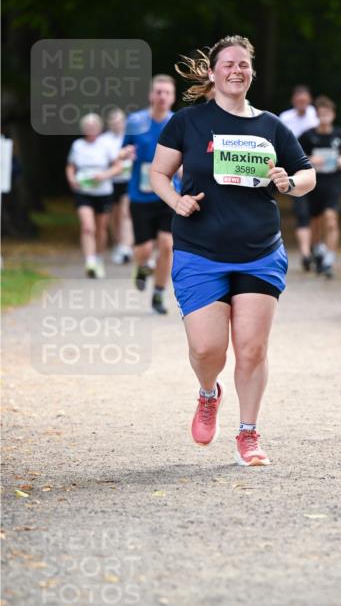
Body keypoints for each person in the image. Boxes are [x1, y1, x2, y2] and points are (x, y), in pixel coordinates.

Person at [150, 36, 315, 465]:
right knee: (208, 350)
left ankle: (249, 432)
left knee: (252, 348)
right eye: (228, 64)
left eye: (244, 64)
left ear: (252, 72)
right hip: (199, 249)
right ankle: (209, 393)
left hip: (259, 250)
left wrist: (289, 182)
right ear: (213, 72)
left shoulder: (271, 126)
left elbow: (307, 174)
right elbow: (158, 174)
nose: (236, 70)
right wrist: (176, 201)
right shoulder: (187, 122)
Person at [120, 75, 177, 314]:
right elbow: (123, 148)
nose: (162, 96)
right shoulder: (135, 121)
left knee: (167, 244)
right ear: (150, 95)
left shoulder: (178, 122)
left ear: (172, 97)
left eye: (167, 92)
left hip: (169, 193)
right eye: (158, 92)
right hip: (140, 193)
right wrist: (125, 153)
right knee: (143, 250)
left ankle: (158, 294)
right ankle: (143, 266)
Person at [65, 113, 124, 278]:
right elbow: (70, 166)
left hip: (103, 192)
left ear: (99, 128)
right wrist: (71, 179)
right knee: (87, 226)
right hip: (83, 192)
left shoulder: (105, 145)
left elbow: (118, 166)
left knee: (100, 229)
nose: (90, 129)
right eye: (87, 127)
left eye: (93, 126)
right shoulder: (77, 145)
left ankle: (98, 258)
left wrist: (104, 175)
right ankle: (89, 261)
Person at [300, 96, 341, 277]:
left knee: (330, 218)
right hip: (314, 184)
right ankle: (318, 250)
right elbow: (297, 155)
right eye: (320, 114)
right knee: (315, 222)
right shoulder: (308, 136)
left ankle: (329, 259)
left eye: (327, 113)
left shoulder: (339, 134)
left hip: (333, 183)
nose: (324, 117)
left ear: (333, 115)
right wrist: (310, 160)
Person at [279, 85, 318, 270]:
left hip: (319, 171)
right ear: (294, 101)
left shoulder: (316, 116)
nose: (302, 103)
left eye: (305, 100)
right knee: (302, 212)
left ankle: (316, 247)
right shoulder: (285, 119)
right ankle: (305, 253)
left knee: (316, 213)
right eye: (298, 100)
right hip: (294, 169)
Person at [101, 108, 133, 264]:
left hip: (128, 179)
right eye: (114, 122)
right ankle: (118, 244)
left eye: (120, 121)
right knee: (114, 216)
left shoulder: (130, 137)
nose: (117, 125)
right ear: (109, 124)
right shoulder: (104, 140)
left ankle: (126, 247)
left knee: (126, 212)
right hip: (110, 182)